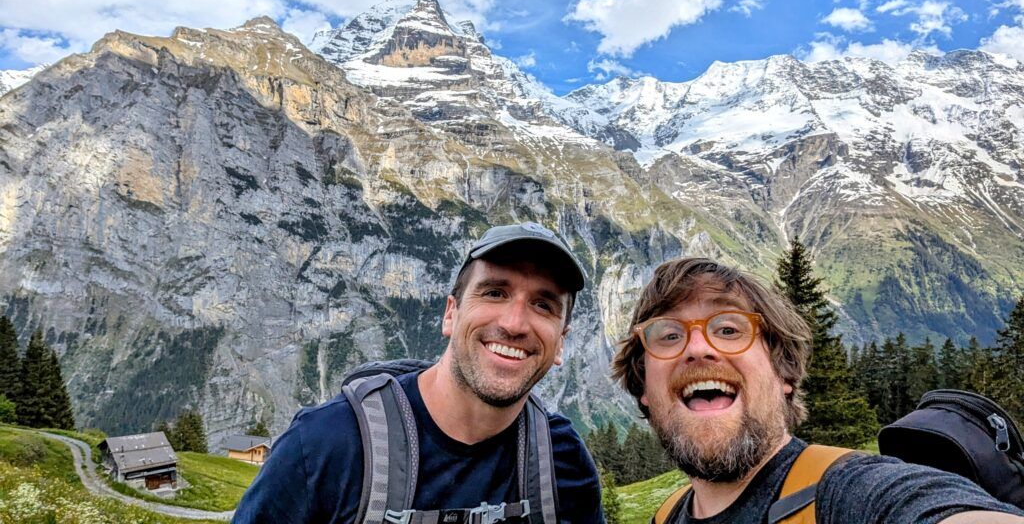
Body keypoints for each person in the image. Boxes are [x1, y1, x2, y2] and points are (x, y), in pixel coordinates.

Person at [234, 222, 604, 524]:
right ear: (450, 314)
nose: (514, 323)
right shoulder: (324, 447)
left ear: (560, 343)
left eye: (543, 305)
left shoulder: (562, 460)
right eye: (494, 293)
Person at [611, 257, 1024, 524]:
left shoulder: (852, 494)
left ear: (783, 374)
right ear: (644, 388)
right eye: (667, 335)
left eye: (728, 330)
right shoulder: (666, 516)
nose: (699, 348)